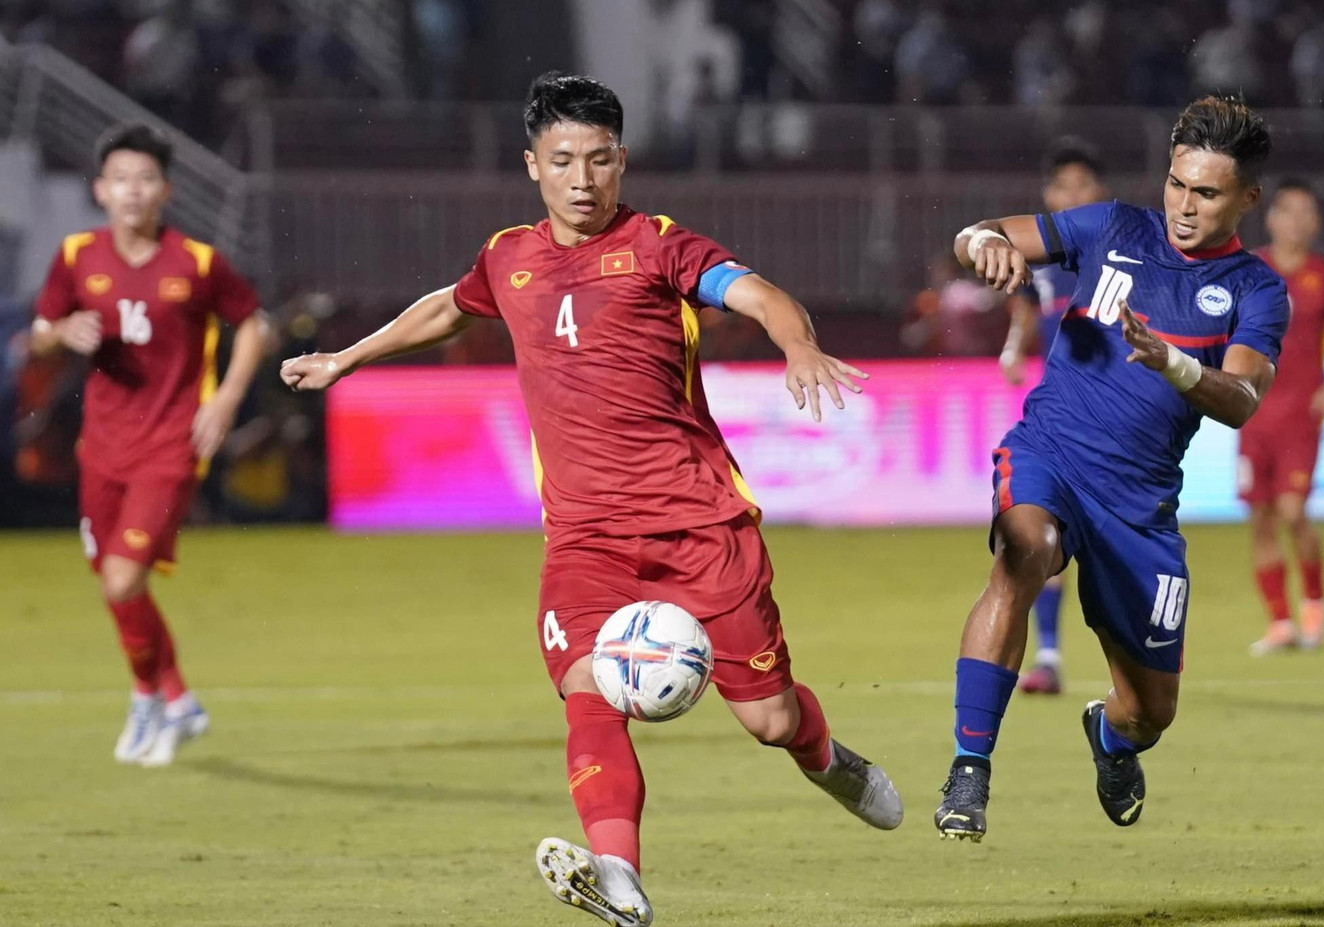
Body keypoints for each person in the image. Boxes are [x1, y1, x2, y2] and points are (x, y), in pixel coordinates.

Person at [281, 73, 901, 927]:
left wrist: (797, 343)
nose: (583, 179)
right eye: (564, 160)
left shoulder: (658, 246)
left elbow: (757, 293)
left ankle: (827, 756)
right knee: (587, 687)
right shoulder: (509, 256)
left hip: (700, 526)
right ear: (532, 164)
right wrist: (347, 357)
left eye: (600, 160)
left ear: (622, 162)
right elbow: (450, 308)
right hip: (584, 539)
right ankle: (619, 878)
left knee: (768, 717)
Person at [932, 95, 1289, 843]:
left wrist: (1175, 364)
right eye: (1178, 184)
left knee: (1152, 710)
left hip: (1139, 510)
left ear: (1247, 198)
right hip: (1051, 454)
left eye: (1208, 192)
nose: (1185, 206)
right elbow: (986, 234)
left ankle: (1112, 736)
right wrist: (980, 242)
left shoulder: (1257, 289)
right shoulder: (1114, 227)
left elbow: (1243, 398)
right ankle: (970, 768)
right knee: (1023, 549)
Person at [30, 123, 270, 767]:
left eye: (145, 180)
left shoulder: (195, 263)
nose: (132, 192)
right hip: (100, 449)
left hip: (169, 444)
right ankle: (179, 698)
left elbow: (253, 322)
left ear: (165, 190)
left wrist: (224, 399)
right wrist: (62, 332)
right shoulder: (78, 255)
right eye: (120, 180)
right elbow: (38, 333)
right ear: (100, 190)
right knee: (117, 585)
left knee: (121, 576)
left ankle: (144, 697)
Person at [999, 138, 1109, 696]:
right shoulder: (1038, 256)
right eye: (1062, 185)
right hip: (1058, 414)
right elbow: (1023, 306)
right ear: (1047, 194)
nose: (1072, 194)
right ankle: (1047, 656)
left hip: (1115, 418)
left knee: (1108, 545)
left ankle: (1136, 668)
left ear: (1101, 194)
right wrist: (1015, 347)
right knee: (1044, 531)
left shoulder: (1110, 251)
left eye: (1082, 185)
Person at [1244, 180, 1324, 655]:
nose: (1296, 221)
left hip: (1300, 413)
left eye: (1305, 213)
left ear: (1316, 222)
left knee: (1292, 511)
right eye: (1287, 211)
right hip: (1252, 410)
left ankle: (1314, 599)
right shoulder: (1249, 269)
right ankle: (1280, 622)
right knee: (1260, 518)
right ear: (1271, 218)